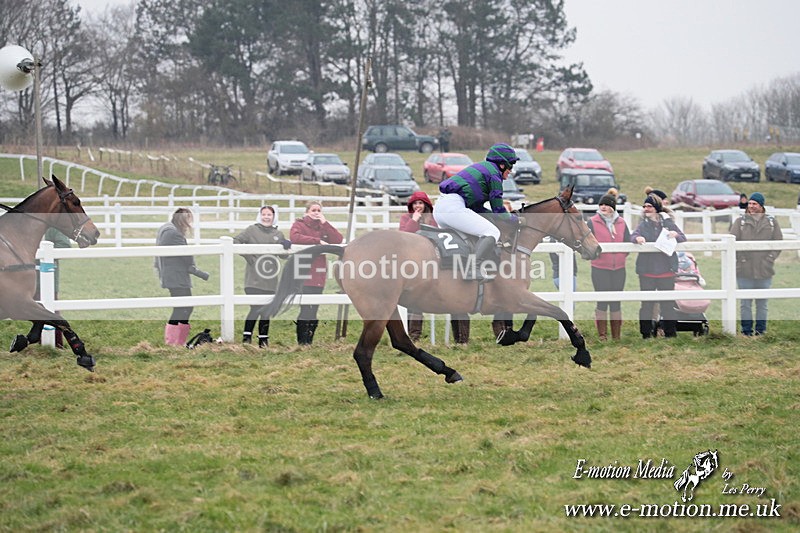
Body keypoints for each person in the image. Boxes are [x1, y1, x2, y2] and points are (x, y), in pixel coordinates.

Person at [433, 142, 520, 280]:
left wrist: (492, 216)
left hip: (441, 208)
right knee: (492, 232)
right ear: (502, 164)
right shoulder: (494, 175)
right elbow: (498, 210)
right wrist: (516, 219)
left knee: (470, 240)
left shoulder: (483, 169)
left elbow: (477, 209)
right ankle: (473, 269)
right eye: (511, 165)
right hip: (453, 208)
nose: (511, 170)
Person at [234, 206, 292, 347]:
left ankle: (263, 340)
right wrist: (249, 256)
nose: (266, 217)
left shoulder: (278, 234)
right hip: (253, 279)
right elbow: (235, 241)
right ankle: (247, 338)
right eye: (264, 214)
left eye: (269, 215)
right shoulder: (251, 230)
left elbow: (284, 256)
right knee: (255, 308)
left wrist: (286, 246)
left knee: (266, 310)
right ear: (260, 216)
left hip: (270, 279)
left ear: (274, 217)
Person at [631, 194, 686, 339]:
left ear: (656, 208)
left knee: (668, 304)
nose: (646, 209)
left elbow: (682, 237)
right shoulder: (643, 225)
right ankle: (646, 334)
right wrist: (637, 238)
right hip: (647, 272)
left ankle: (670, 333)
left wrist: (675, 234)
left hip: (666, 271)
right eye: (644, 206)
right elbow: (633, 235)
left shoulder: (668, 223)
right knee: (646, 304)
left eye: (649, 206)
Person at [290, 201, 343, 345]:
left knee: (314, 310)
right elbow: (295, 237)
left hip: (319, 274)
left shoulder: (323, 227)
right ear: (307, 211)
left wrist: (325, 223)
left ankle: (309, 342)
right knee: (305, 308)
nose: (316, 213)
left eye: (319, 210)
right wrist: (317, 241)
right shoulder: (299, 225)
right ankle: (302, 342)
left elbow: (338, 239)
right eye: (313, 210)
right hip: (303, 273)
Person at [729, 192, 783, 336]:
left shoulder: (771, 222)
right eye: (750, 203)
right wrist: (741, 259)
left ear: (761, 205)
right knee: (745, 303)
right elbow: (731, 242)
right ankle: (746, 331)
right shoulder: (740, 222)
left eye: (755, 204)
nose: (751, 206)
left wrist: (769, 259)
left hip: (765, 269)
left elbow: (778, 242)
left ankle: (761, 331)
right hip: (744, 269)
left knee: (762, 303)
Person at [156, 208, 210, 346]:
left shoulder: (167, 229)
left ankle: (178, 341)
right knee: (182, 307)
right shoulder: (173, 232)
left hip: (174, 274)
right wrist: (194, 269)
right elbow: (185, 254)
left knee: (184, 306)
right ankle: (174, 341)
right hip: (176, 276)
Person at [586, 192, 630, 340]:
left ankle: (616, 336)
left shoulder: (622, 223)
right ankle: (602, 335)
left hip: (619, 269)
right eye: (601, 204)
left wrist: (620, 257)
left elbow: (627, 243)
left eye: (607, 204)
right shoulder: (592, 222)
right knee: (602, 301)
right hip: (599, 268)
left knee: (616, 302)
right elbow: (588, 244)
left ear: (613, 207)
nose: (603, 207)